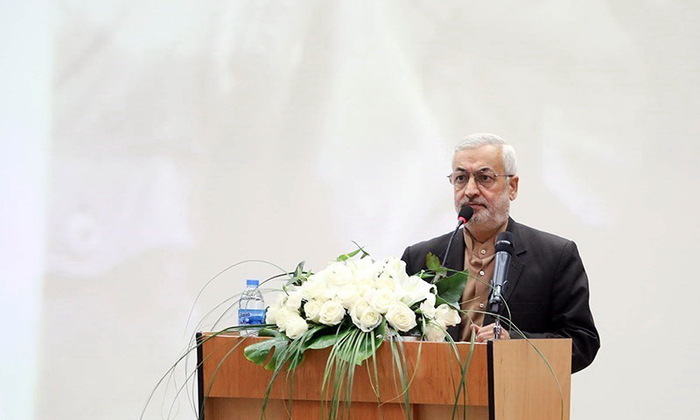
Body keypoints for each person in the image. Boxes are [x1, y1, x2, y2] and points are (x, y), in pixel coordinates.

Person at [401, 133, 600, 373]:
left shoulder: (555, 256)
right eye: (461, 178)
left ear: (512, 187)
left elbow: (583, 343)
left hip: (515, 391)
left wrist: (513, 344)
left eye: (484, 178)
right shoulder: (420, 257)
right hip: (436, 390)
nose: (470, 190)